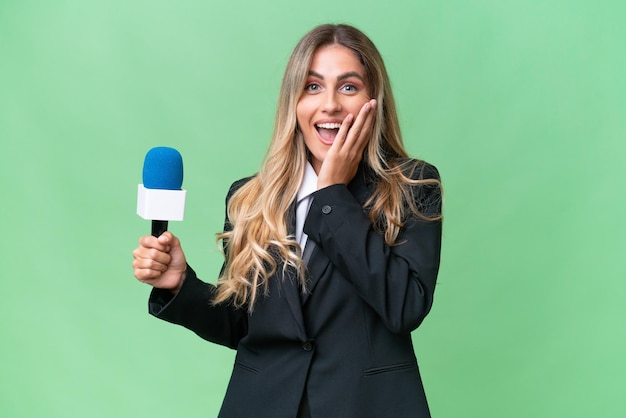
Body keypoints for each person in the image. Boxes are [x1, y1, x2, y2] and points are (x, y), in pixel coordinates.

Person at [132, 23, 443, 418]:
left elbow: (404, 307)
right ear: (293, 103)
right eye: (312, 87)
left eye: (348, 86)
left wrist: (332, 196)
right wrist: (180, 284)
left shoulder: (413, 188)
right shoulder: (249, 197)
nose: (329, 104)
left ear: (373, 101)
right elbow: (241, 325)